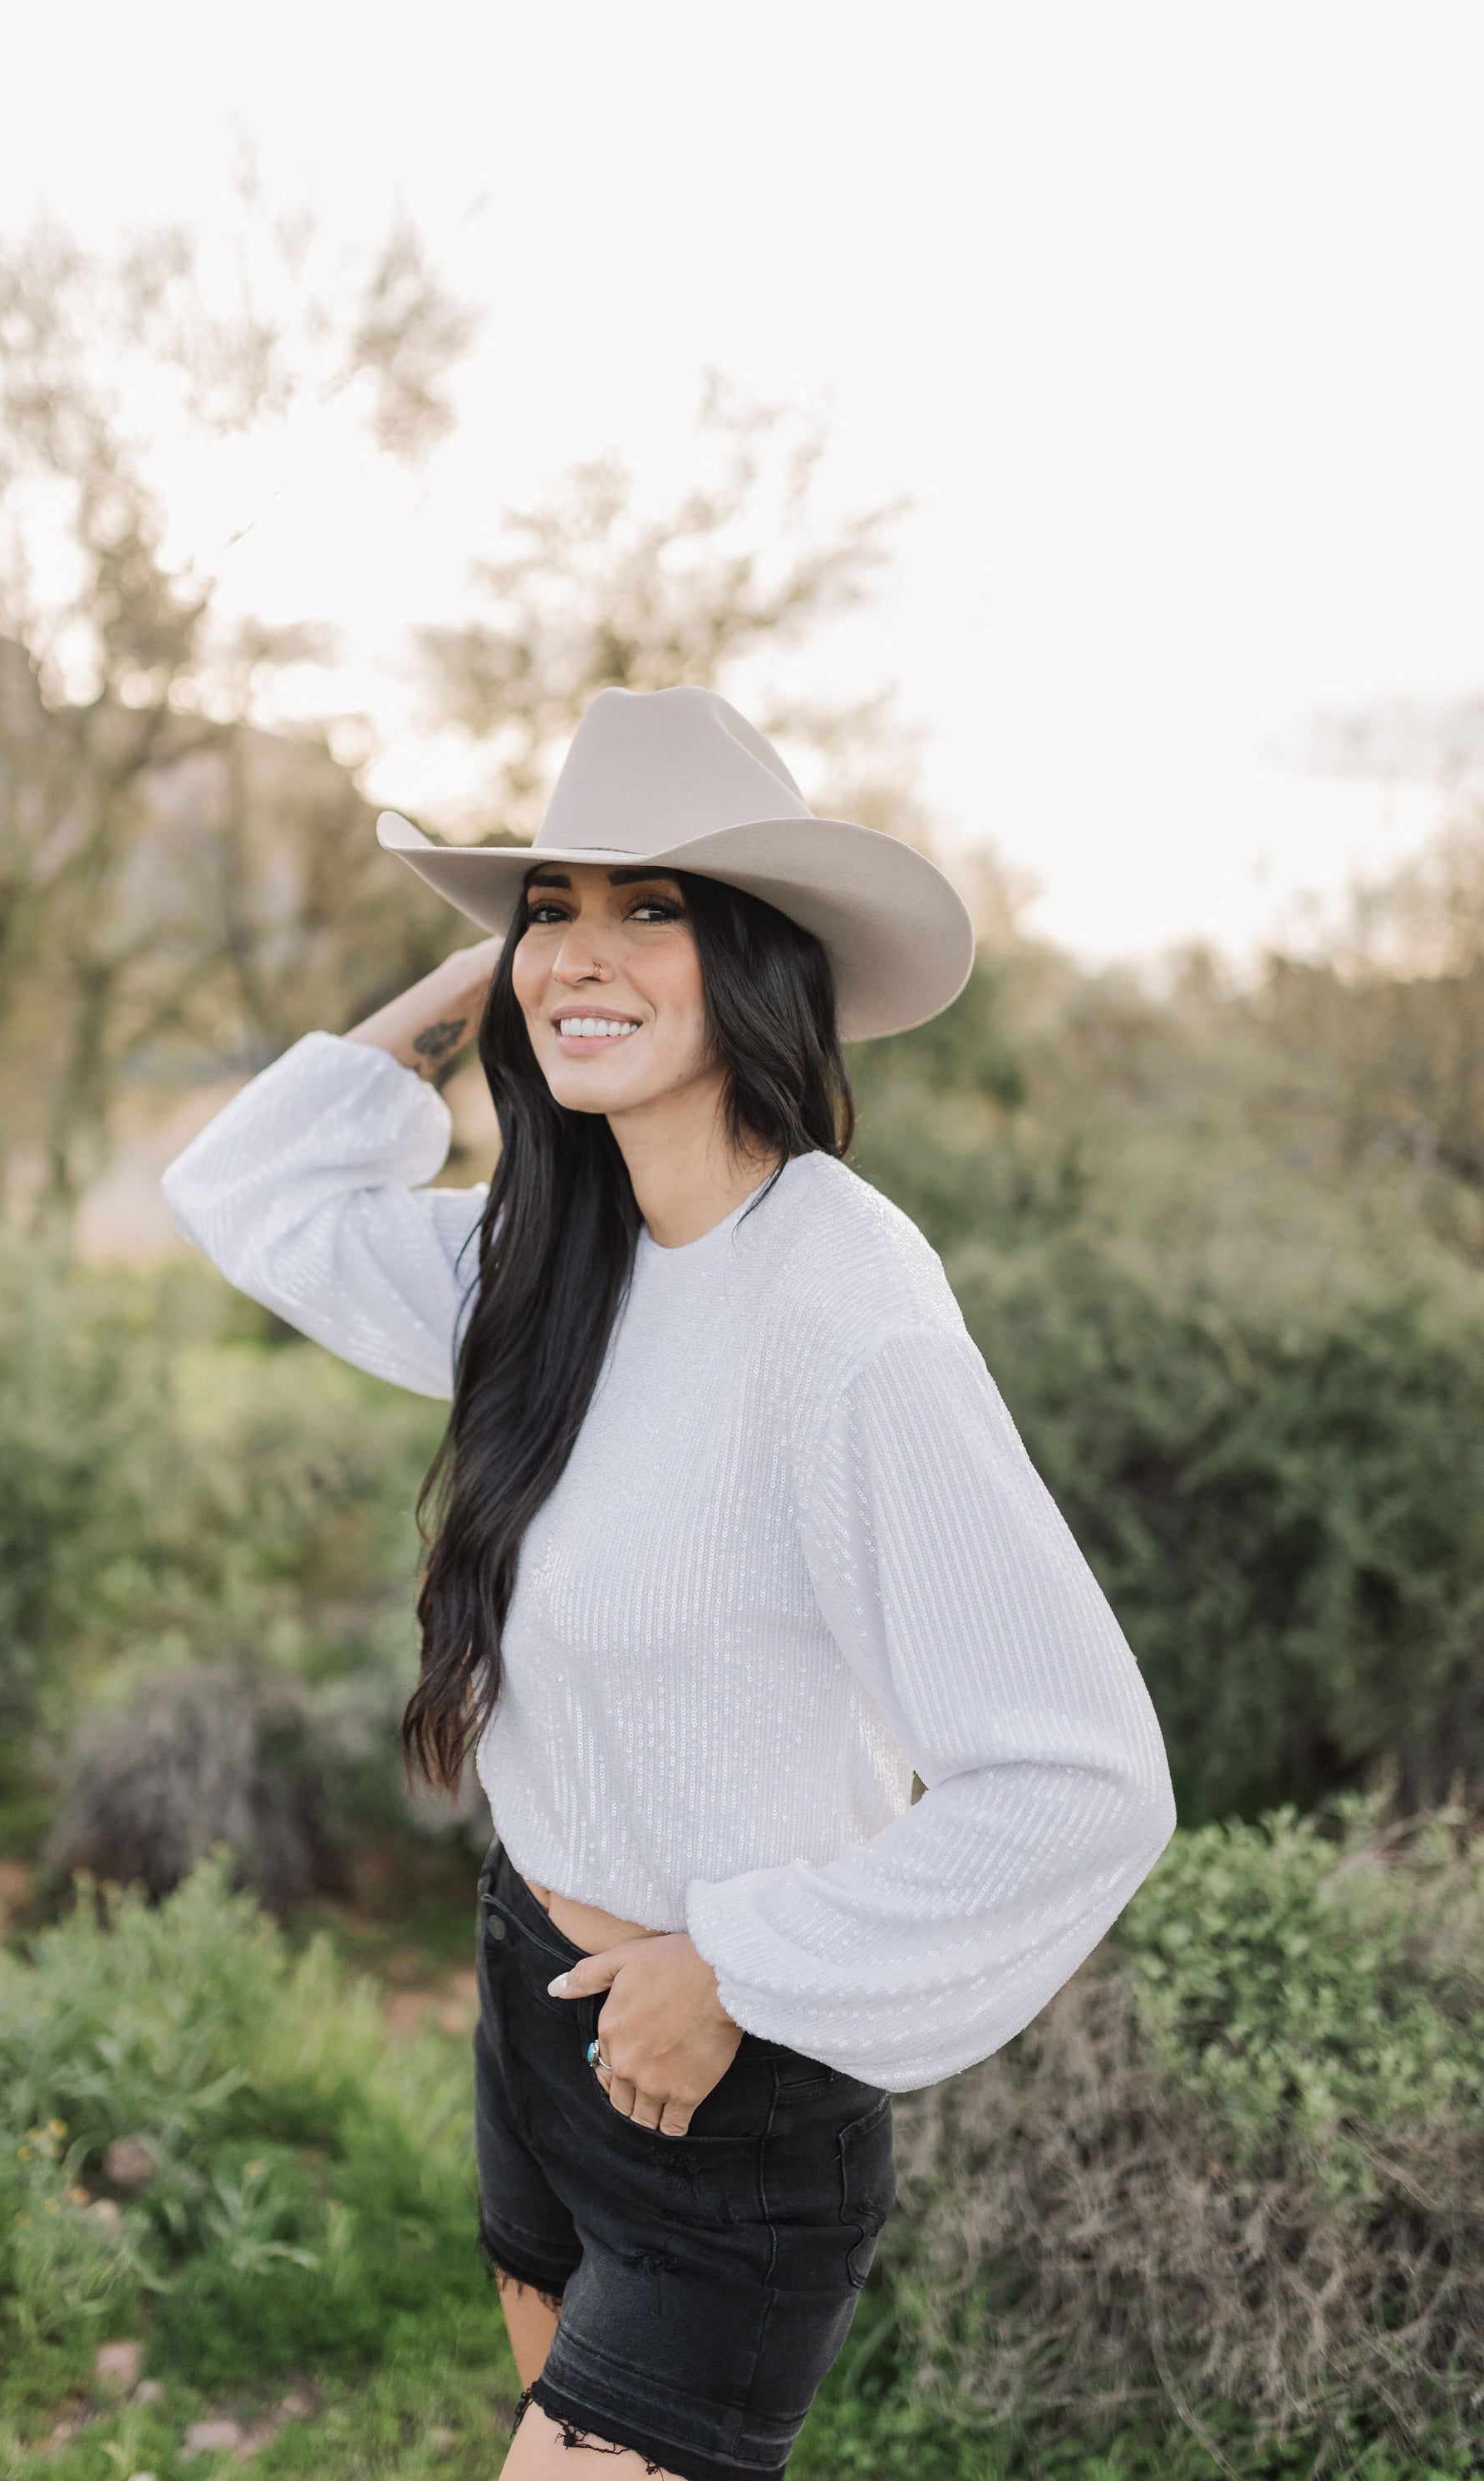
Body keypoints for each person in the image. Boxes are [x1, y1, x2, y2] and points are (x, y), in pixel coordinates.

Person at [160, 685, 1177, 2481]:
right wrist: (513, 984)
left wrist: (731, 1968)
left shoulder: (845, 1311)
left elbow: (1084, 1780)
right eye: (551, 902)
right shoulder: (542, 1261)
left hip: (723, 2072)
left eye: (656, 909)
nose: (582, 951)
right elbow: (250, 1191)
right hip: (535, 2001)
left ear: (761, 963)